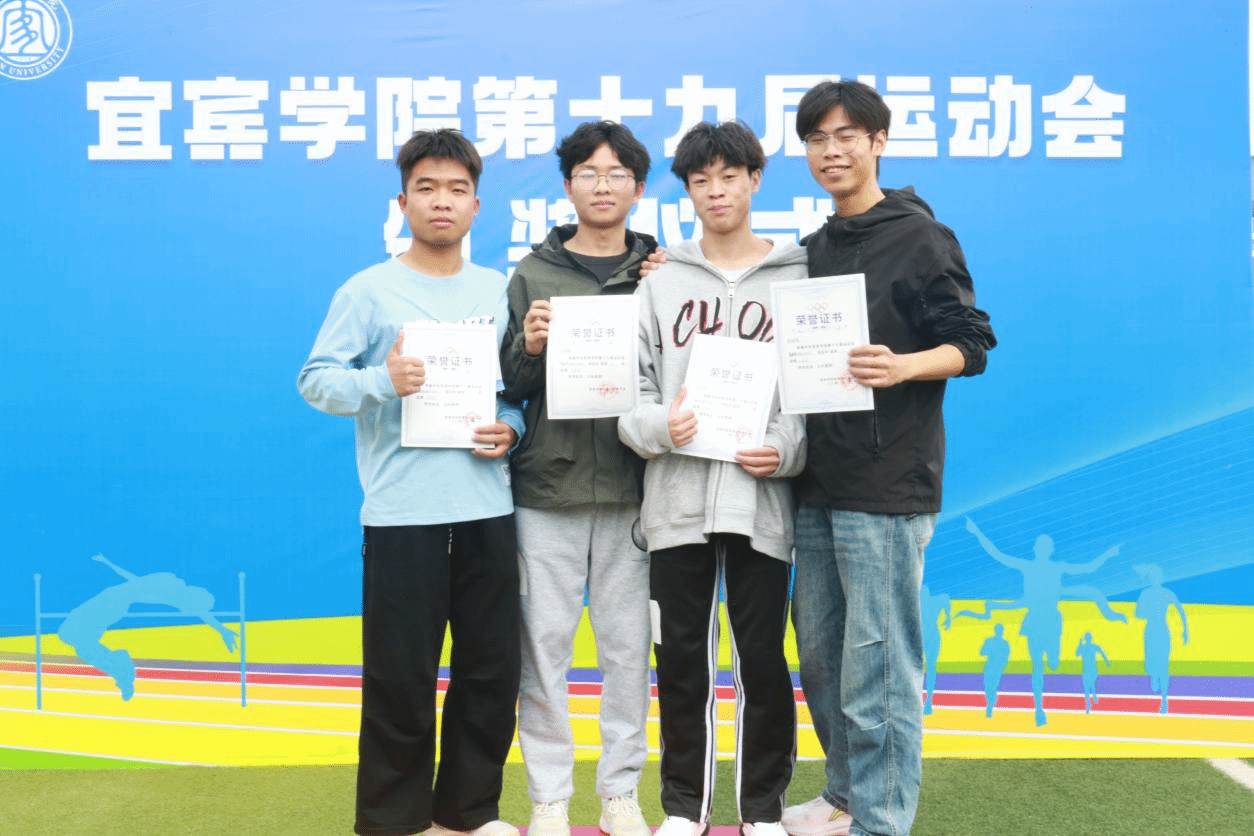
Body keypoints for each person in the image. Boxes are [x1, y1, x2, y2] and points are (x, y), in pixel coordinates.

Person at [783, 80, 997, 836]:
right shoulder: (813, 249)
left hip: (888, 483)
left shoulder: (921, 237)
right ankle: (845, 794)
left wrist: (903, 366)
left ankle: (881, 820)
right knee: (823, 659)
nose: (831, 150)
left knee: (879, 662)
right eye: (817, 138)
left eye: (847, 135)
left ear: (879, 141)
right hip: (815, 482)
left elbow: (972, 343)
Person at [297, 129, 524, 836]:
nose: (441, 201)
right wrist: (382, 380)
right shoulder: (368, 291)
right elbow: (316, 381)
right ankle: (395, 821)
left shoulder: (500, 290)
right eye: (426, 188)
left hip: (488, 507)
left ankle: (467, 812)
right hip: (402, 515)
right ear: (402, 203)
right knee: (401, 676)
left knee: (490, 671)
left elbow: (517, 391)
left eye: (457, 189)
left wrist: (512, 428)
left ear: (477, 205)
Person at [618, 120, 806, 836]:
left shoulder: (798, 277)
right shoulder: (662, 282)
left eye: (730, 176)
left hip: (762, 501)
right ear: (687, 191)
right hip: (676, 501)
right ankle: (681, 809)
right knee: (681, 661)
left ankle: (761, 810)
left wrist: (785, 448)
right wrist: (660, 426)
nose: (717, 191)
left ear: (756, 180)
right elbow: (628, 395)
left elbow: (815, 392)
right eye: (701, 180)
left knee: (762, 660)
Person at [499, 120, 656, 836]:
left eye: (617, 173)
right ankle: (549, 798)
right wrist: (530, 346)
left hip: (636, 488)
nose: (602, 185)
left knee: (628, 652)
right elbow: (509, 384)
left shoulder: (661, 271)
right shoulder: (533, 274)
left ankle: (620, 793)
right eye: (588, 173)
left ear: (638, 188)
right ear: (568, 186)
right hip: (548, 489)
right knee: (544, 651)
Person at [958, 518, 1125, 727]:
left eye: (1046, 546)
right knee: (1037, 667)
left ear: (1050, 550)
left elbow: (1088, 568)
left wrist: (1108, 554)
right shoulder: (1028, 566)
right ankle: (1039, 709)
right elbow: (999, 555)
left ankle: (1047, 677)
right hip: (1034, 622)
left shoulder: (1057, 567)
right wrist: (977, 532)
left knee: (1053, 663)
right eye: (1040, 546)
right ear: (1036, 549)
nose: (1042, 549)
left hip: (1052, 621)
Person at [57, 554, 237, 701]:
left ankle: (122, 667)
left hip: (113, 602)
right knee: (78, 641)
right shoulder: (172, 588)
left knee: (71, 635)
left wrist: (221, 629)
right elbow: (134, 580)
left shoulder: (173, 591)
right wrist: (107, 563)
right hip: (113, 601)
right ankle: (122, 668)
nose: (185, 609)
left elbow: (134, 581)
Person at [1134, 564, 1189, 714]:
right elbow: (1137, 613)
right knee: (1150, 664)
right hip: (1151, 630)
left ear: (1160, 578)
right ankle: (1154, 675)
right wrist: (1148, 613)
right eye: (1152, 577)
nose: (1154, 579)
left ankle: (1164, 700)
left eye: (1156, 577)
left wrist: (1185, 631)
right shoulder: (1145, 593)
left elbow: (1181, 610)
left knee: (1163, 665)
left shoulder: (1167, 593)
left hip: (1162, 630)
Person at [1075, 631, 1110, 713]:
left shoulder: (1084, 647)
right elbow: (1102, 652)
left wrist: (1079, 644)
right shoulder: (1093, 646)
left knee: (1087, 687)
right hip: (1092, 670)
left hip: (1087, 670)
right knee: (1090, 684)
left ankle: (1089, 702)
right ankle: (1090, 700)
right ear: (1091, 638)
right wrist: (1107, 661)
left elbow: (1077, 653)